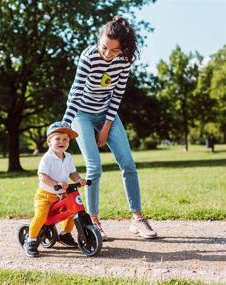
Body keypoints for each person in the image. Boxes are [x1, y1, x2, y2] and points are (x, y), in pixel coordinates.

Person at [62, 16, 157, 241]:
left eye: (113, 51)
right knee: (94, 168)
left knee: (128, 164)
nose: (107, 54)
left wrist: (105, 128)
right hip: (82, 114)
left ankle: (137, 219)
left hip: (107, 113)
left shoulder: (124, 61)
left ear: (122, 49)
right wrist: (65, 125)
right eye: (104, 47)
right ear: (99, 40)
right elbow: (75, 93)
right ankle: (94, 223)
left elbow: (117, 95)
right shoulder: (88, 57)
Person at [23, 121, 86, 257]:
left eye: (65, 139)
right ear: (49, 141)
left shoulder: (68, 157)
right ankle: (31, 240)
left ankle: (64, 234)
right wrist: (56, 183)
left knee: (73, 211)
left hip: (62, 194)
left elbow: (72, 173)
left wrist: (79, 179)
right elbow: (43, 176)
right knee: (41, 216)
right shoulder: (47, 158)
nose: (61, 142)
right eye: (57, 138)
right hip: (45, 195)